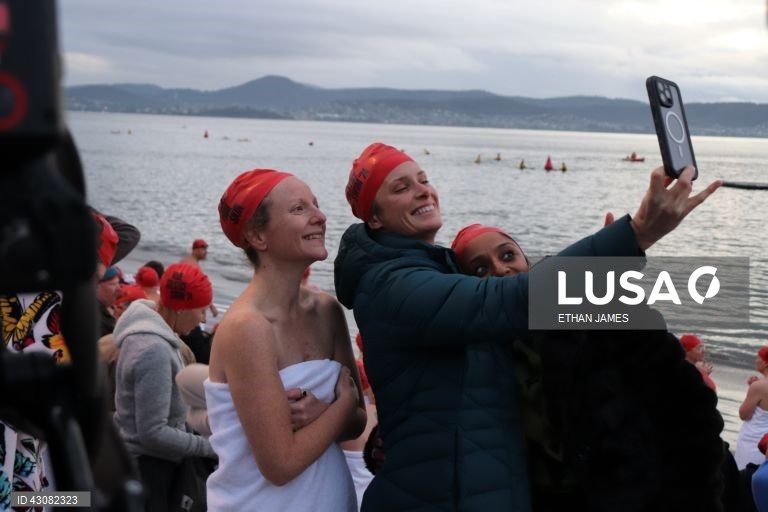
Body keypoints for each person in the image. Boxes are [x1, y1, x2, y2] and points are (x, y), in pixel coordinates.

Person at [333, 142, 720, 511]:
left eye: (423, 178)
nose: (422, 191)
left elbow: (688, 407)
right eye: (402, 187)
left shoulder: (565, 320)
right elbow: (505, 306)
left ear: (528, 260)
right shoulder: (402, 286)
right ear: (375, 217)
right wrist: (634, 234)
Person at [450, 223, 729, 510]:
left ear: (527, 261)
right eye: (480, 270)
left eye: (508, 256)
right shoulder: (477, 361)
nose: (500, 270)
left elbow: (690, 406)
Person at [206, 168, 366, 510]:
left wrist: (327, 410)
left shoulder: (327, 311)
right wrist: (341, 405)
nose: (320, 216)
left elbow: (358, 423)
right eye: (299, 209)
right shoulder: (247, 328)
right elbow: (280, 465)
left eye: (316, 205)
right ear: (258, 237)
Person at [113, 262, 216, 511]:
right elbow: (153, 433)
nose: (203, 318)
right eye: (200, 310)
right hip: (148, 469)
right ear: (180, 308)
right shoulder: (154, 350)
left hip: (137, 458)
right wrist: (208, 447)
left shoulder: (149, 332)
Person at [736, 346, 768, 469]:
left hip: (754, 439)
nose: (755, 361)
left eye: (758, 358)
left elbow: (744, 415)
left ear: (765, 363)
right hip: (767, 441)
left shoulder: (759, 386)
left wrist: (752, 388)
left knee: (745, 475)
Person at [179, 239, 219, 318]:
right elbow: (201, 289)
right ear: (195, 250)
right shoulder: (194, 267)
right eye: (203, 249)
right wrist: (212, 308)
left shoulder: (184, 261)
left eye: (206, 249)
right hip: (188, 308)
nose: (206, 252)